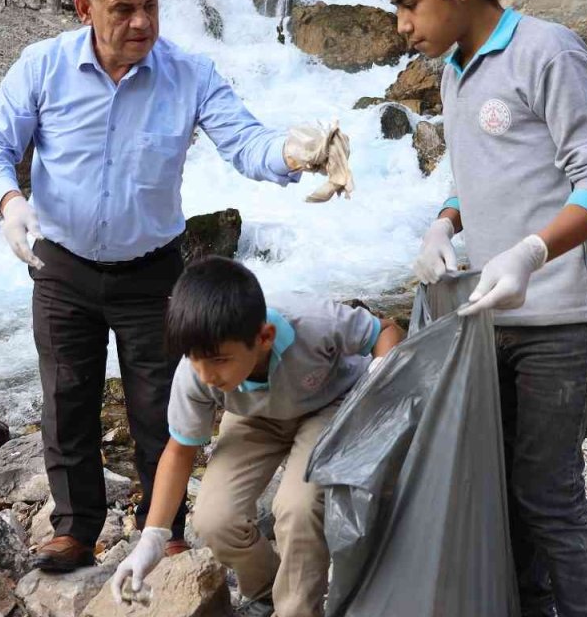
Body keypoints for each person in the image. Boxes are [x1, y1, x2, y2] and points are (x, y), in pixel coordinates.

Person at [0, 0, 349, 572]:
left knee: (158, 404)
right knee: (66, 397)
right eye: (123, 9)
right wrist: (9, 202)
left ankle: (164, 532)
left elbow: (247, 143)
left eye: (151, 6)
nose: (143, 22)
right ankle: (74, 531)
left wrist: (298, 153)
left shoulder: (189, 73)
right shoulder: (41, 68)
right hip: (61, 264)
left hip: (152, 270)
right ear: (85, 8)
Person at [376, 0, 587, 615]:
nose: (402, 25)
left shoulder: (550, 51)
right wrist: (446, 221)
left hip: (563, 320)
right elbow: (480, 173)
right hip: (490, 318)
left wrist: (531, 252)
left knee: (549, 494)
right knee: (502, 486)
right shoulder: (454, 69)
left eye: (409, 4)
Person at [107, 257, 404, 617]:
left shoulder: (314, 322)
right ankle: (268, 591)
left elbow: (385, 331)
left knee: (298, 507)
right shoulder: (198, 372)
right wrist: (153, 537)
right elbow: (180, 451)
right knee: (214, 519)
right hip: (255, 416)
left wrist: (379, 377)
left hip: (328, 404)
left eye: (218, 360)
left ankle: (297, 609)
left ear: (264, 339)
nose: (207, 375)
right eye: (195, 360)